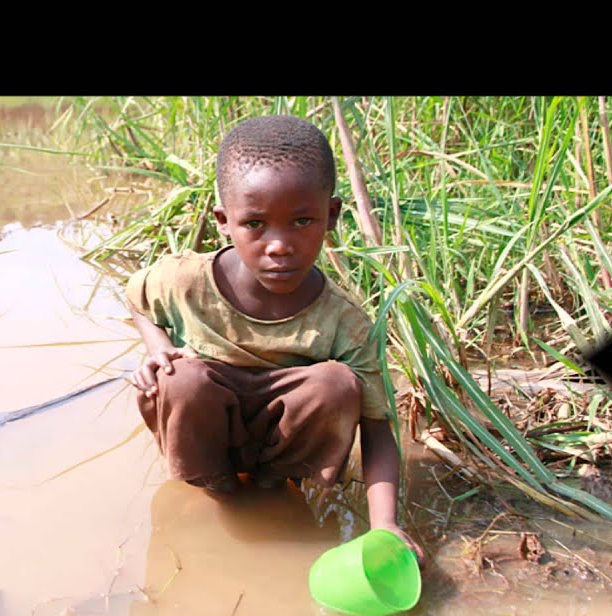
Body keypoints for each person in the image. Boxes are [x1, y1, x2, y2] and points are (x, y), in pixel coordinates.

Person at [125, 114, 425, 566]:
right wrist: (158, 350)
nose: (279, 245)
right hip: (210, 425)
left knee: (337, 384)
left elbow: (377, 427)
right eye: (255, 224)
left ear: (331, 216)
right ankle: (216, 486)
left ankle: (271, 485)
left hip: (280, 443)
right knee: (179, 379)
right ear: (224, 221)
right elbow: (137, 300)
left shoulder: (344, 322)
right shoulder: (185, 280)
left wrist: (385, 525)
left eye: (302, 221)